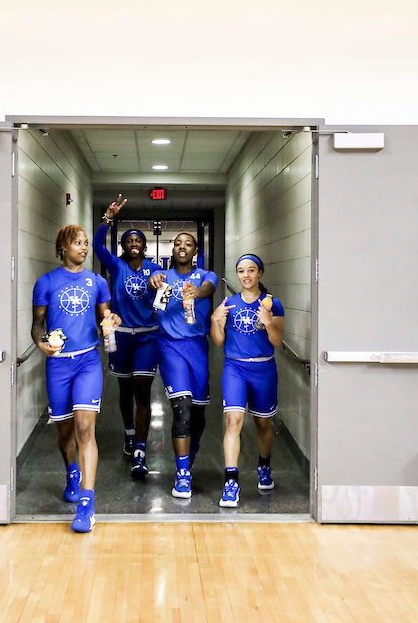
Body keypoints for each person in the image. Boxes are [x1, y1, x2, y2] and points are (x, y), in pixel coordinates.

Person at [32, 224, 116, 533]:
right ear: (62, 248)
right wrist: (41, 344)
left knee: (84, 429)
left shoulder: (97, 282)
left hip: (88, 362)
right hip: (59, 365)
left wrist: (111, 320)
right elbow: (37, 324)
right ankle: (71, 472)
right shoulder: (47, 282)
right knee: (66, 432)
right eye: (76, 243)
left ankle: (87, 503)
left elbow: (105, 317)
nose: (83, 247)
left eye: (85, 243)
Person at [94, 195, 162, 478]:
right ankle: (129, 432)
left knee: (142, 390)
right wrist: (107, 219)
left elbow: (164, 301)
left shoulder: (156, 269)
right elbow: (97, 246)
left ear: (144, 246)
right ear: (123, 246)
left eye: (138, 241)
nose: (134, 245)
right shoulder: (115, 267)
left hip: (147, 337)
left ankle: (140, 449)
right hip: (121, 336)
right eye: (129, 241)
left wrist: (159, 287)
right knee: (124, 390)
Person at [210, 254, 284, 508]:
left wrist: (268, 323)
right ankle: (231, 482)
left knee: (263, 423)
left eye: (251, 270)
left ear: (260, 273)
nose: (246, 275)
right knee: (233, 421)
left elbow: (276, 342)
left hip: (263, 369)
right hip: (235, 368)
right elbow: (218, 341)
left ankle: (264, 466)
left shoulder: (272, 305)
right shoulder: (228, 303)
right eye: (241, 271)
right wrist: (215, 322)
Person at [149, 231, 216, 499]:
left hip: (197, 347)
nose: (182, 247)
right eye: (177, 243)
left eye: (188, 244)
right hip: (170, 346)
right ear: (172, 249)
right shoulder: (165, 280)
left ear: (195, 251)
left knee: (198, 416)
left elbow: (209, 289)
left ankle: (192, 452)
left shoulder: (205, 276)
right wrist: (156, 287)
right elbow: (158, 310)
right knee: (183, 409)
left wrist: (196, 292)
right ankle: (182, 476)